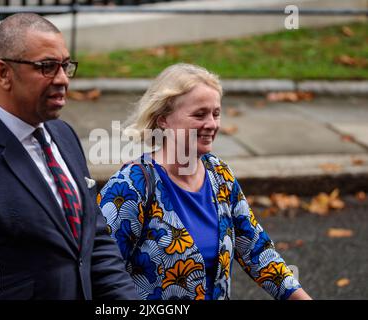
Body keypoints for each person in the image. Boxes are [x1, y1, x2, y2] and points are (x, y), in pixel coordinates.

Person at [0, 13, 137, 300]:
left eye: (65, 66)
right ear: (3, 73)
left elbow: (94, 245)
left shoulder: (65, 137)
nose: (62, 80)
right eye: (47, 67)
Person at [98, 63, 312, 300]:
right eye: (200, 114)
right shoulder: (130, 186)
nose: (211, 124)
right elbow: (100, 272)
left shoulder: (220, 175)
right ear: (163, 120)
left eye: (216, 113)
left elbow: (256, 251)